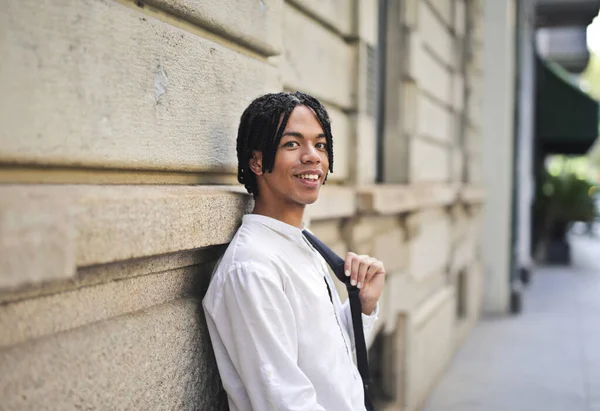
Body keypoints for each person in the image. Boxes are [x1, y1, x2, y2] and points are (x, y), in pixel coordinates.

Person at [203, 91, 386, 411]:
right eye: (292, 144)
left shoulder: (301, 242)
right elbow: (285, 401)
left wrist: (362, 306)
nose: (313, 156)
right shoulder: (252, 268)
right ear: (257, 161)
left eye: (320, 144)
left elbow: (331, 363)